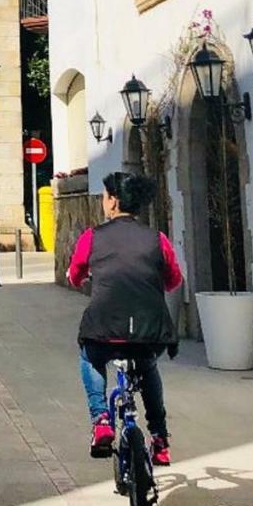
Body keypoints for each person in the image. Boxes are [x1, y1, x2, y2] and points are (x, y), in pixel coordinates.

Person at [67, 171, 183, 467]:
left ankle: (101, 420)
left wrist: (78, 278)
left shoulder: (92, 237)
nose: (104, 202)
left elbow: (75, 274)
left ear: (114, 201)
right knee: (147, 367)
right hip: (150, 329)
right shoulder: (157, 239)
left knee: (90, 357)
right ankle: (159, 438)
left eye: (105, 196)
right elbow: (174, 280)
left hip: (104, 327)